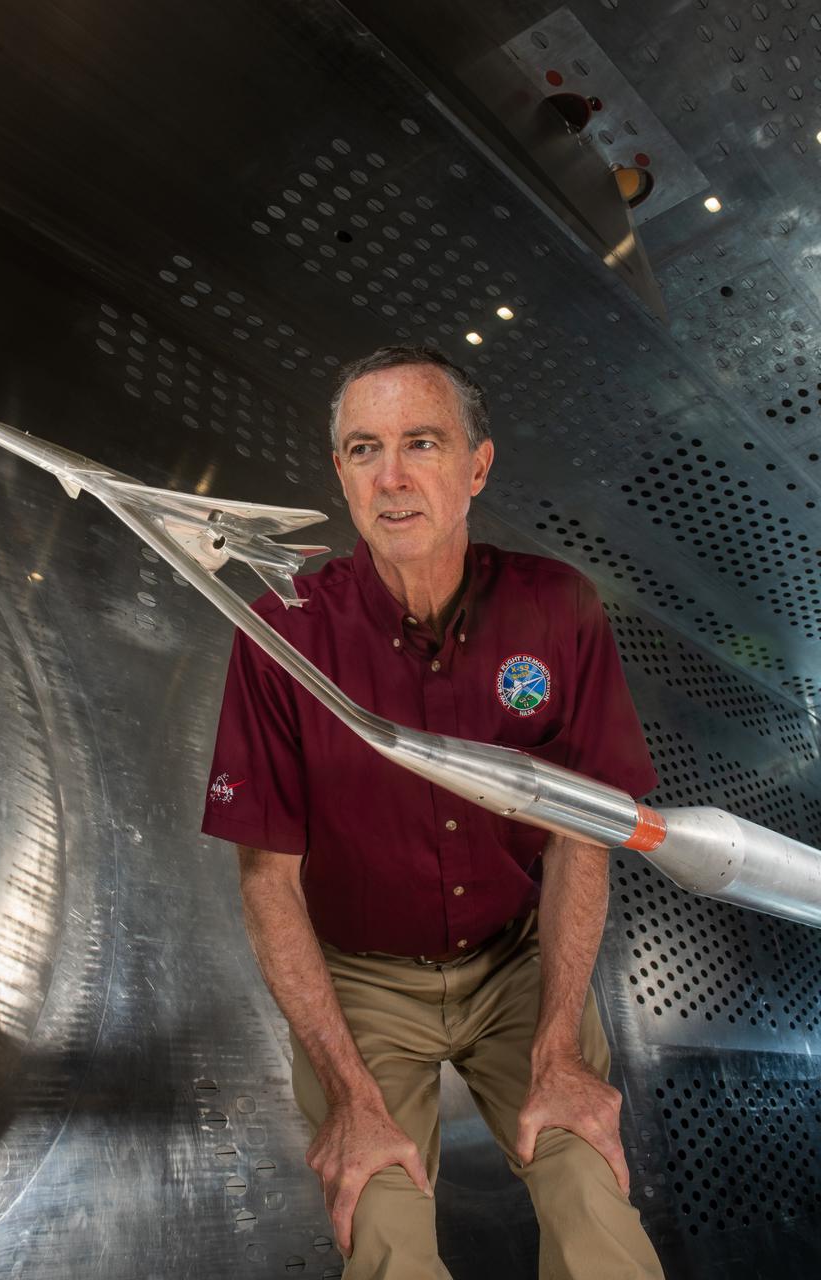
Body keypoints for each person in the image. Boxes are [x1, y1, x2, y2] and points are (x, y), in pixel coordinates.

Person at [201, 345, 665, 1279]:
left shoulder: (560, 609)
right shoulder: (280, 634)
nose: (394, 476)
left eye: (422, 442)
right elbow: (269, 883)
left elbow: (585, 839)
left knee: (590, 1198)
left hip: (520, 968)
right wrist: (347, 1092)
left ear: (477, 465)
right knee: (382, 1225)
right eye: (365, 450)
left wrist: (559, 1047)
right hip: (360, 988)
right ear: (339, 474)